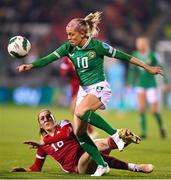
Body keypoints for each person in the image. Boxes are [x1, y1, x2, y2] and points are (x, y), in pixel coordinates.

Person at [16, 12, 163, 176]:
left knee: (80, 111)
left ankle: (115, 135)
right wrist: (31, 65)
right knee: (80, 134)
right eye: (67, 34)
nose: (69, 37)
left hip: (99, 87)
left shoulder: (98, 46)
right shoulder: (68, 48)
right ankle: (101, 164)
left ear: (83, 33)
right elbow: (49, 58)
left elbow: (125, 56)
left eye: (72, 34)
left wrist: (147, 67)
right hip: (83, 90)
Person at [11, 109, 154, 175]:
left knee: (94, 146)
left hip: (87, 153)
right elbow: (36, 167)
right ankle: (122, 143)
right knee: (94, 146)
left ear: (54, 118)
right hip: (78, 168)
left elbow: (67, 134)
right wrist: (23, 169)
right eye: (42, 118)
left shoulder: (64, 125)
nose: (46, 119)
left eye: (48, 116)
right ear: (40, 125)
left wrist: (43, 143)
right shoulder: (42, 145)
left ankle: (120, 144)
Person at [127, 36, 169, 139]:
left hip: (151, 85)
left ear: (146, 45)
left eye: (141, 43)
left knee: (153, 111)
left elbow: (161, 67)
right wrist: (129, 83)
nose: (139, 45)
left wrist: (165, 82)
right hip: (140, 84)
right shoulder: (135, 55)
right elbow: (132, 70)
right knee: (141, 109)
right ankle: (144, 132)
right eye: (138, 43)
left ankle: (161, 126)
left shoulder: (152, 55)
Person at [59, 57, 98, 138]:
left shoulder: (82, 56)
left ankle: (84, 132)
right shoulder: (66, 59)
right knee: (79, 111)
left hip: (84, 87)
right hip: (74, 88)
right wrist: (68, 68)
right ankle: (89, 131)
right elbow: (62, 72)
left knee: (74, 109)